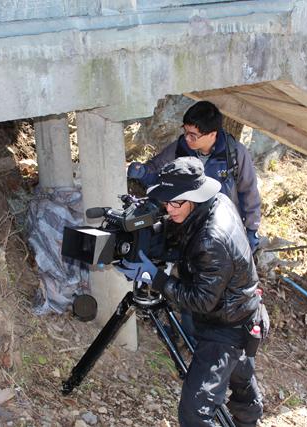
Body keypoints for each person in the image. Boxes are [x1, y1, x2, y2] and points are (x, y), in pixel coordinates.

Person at [117, 157, 267, 427]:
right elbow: (183, 232)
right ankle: (250, 421)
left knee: (194, 413)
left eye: (175, 202)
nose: (169, 208)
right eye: (166, 201)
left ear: (193, 198)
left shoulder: (212, 238)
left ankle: (248, 420)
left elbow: (202, 300)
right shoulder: (215, 202)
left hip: (226, 326)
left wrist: (156, 278)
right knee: (240, 377)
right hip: (242, 310)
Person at [127, 100, 261, 252]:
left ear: (212, 134)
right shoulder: (180, 148)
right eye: (185, 132)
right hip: (187, 225)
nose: (187, 138)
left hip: (223, 225)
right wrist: (142, 172)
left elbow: (249, 192)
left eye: (193, 135)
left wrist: (251, 229)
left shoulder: (235, 153)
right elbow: (157, 172)